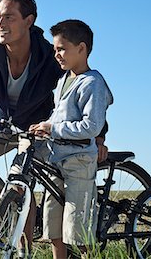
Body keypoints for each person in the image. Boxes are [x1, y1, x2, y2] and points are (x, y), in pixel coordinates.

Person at [0, 0, 109, 198]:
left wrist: (99, 137)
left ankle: (19, 199)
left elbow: (83, 88)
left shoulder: (48, 54)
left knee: (20, 184)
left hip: (37, 130)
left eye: (9, 17)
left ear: (29, 21)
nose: (0, 23)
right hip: (1, 126)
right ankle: (11, 199)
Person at [29, 19, 113, 259]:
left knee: (78, 230)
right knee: (53, 227)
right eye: (55, 50)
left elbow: (91, 126)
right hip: (55, 161)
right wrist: (43, 128)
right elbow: (59, 116)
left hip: (78, 162)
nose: (57, 55)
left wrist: (53, 129)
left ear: (82, 48)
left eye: (62, 49)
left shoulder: (92, 83)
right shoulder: (63, 81)